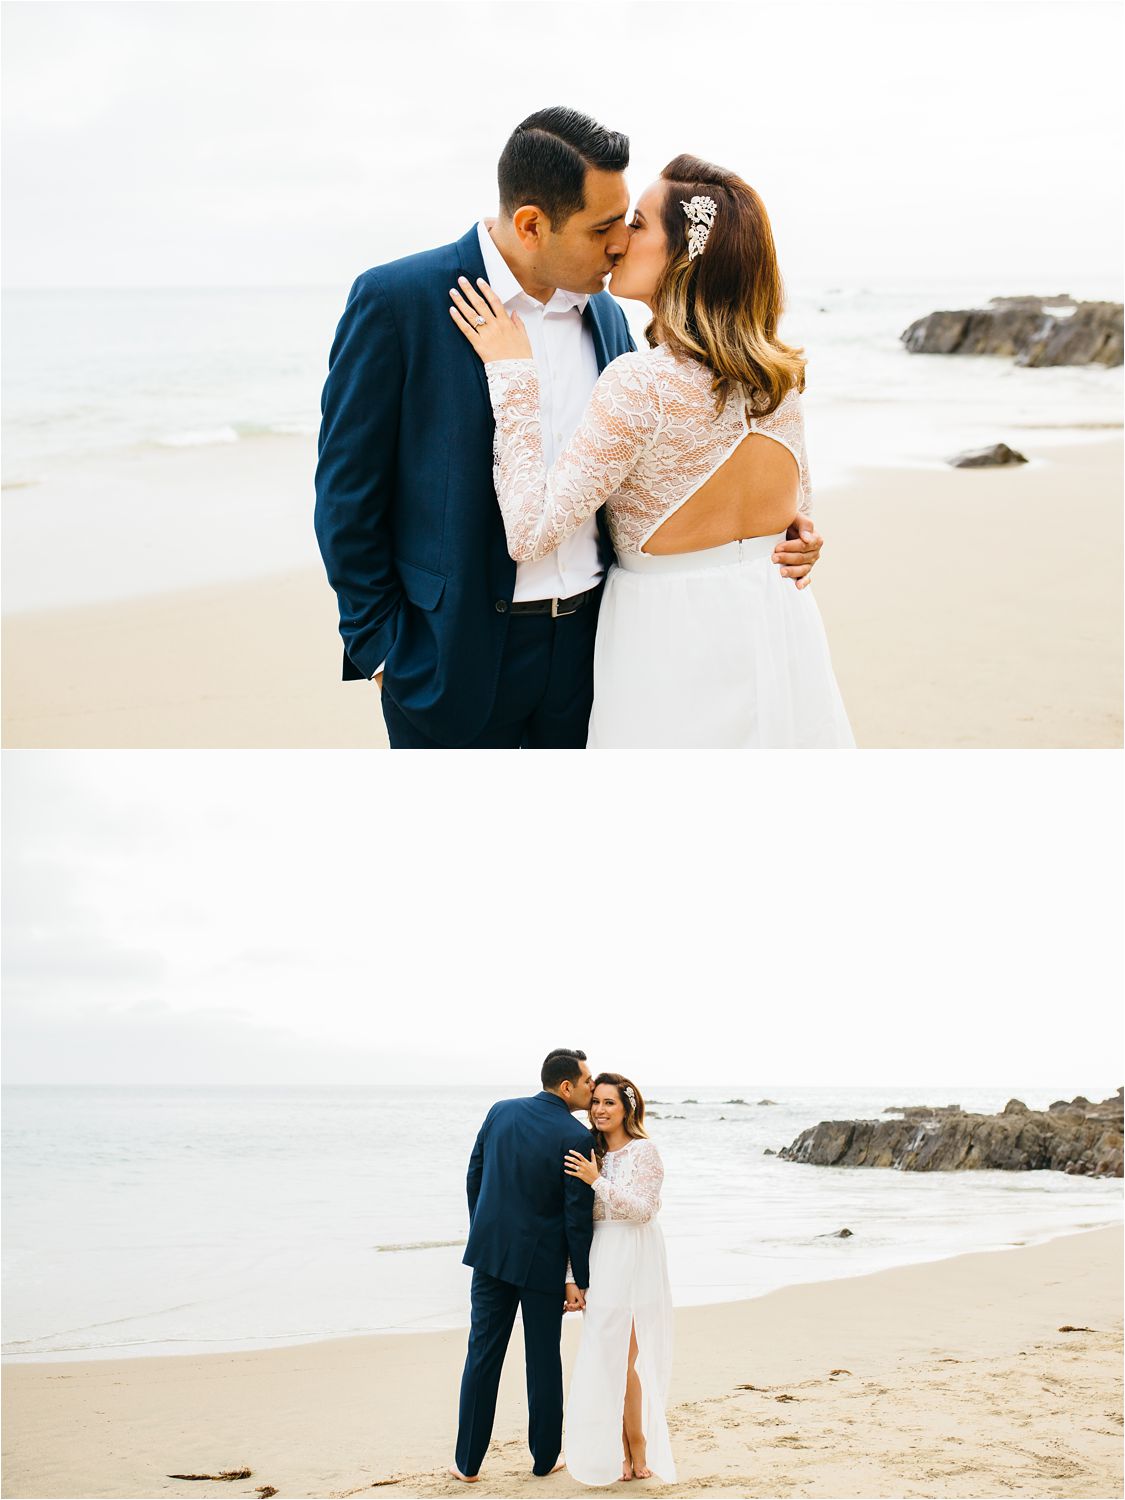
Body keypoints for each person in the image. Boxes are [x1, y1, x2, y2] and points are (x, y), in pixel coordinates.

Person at [314, 108, 823, 748]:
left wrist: (782, 525)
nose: (618, 245)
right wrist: (382, 649)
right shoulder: (398, 301)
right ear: (532, 224)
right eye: (605, 226)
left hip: (598, 651)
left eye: (629, 224)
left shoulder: (611, 320)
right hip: (451, 658)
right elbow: (346, 493)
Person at [449, 153, 854, 747]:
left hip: (670, 644)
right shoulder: (780, 382)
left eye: (637, 224)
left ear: (683, 256)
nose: (618, 240)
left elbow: (531, 530)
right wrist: (803, 543)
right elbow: (798, 517)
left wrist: (514, 375)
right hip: (778, 629)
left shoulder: (641, 383)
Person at [452, 1049, 597, 1483]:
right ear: (566, 1086)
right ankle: (545, 1458)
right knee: (543, 1360)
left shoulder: (500, 1112)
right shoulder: (576, 1135)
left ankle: (467, 1464)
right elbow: (576, 1215)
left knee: (482, 1354)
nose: (592, 1088)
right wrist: (579, 1279)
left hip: (491, 1257)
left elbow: (474, 1176)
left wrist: (485, 1229)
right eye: (587, 1081)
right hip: (542, 1265)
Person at [562, 1073, 675, 1485]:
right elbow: (575, 1222)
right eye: (595, 1102)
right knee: (604, 1356)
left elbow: (643, 1210)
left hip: (637, 1257)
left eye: (609, 1102)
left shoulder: (645, 1152)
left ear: (627, 1107)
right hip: (600, 1259)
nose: (600, 1110)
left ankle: (636, 1444)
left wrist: (597, 1181)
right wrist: (572, 1277)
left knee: (626, 1357)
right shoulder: (586, 1152)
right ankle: (617, 1446)